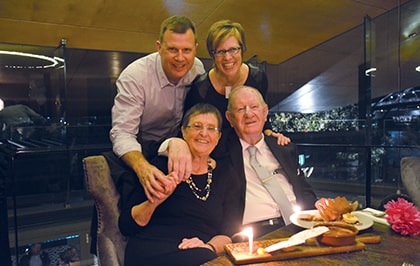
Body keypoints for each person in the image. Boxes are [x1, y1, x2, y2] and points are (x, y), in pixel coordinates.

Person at [117, 103, 242, 266]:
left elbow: (229, 232)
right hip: (151, 249)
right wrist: (154, 201)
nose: (203, 133)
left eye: (211, 129)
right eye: (197, 126)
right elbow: (126, 225)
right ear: (183, 131)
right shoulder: (161, 165)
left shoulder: (227, 174)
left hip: (200, 252)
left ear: (218, 137)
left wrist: (208, 247)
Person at [108, 15, 205, 202]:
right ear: (159, 47)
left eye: (187, 50)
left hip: (181, 145)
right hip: (145, 150)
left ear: (195, 49)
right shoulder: (134, 76)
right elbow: (122, 134)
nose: (180, 58)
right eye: (172, 49)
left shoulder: (197, 68)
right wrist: (143, 169)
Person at [184, 19, 290, 152]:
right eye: (220, 52)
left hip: (249, 148)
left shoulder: (257, 78)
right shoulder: (201, 88)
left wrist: (270, 133)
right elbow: (190, 128)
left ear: (242, 49)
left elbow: (262, 115)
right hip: (216, 153)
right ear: (212, 55)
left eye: (233, 49)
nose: (227, 57)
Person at [225, 86, 317, 238]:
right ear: (230, 118)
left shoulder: (284, 147)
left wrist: (318, 208)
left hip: (300, 224)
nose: (249, 114)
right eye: (241, 109)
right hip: (254, 232)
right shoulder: (221, 152)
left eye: (254, 107)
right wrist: (172, 144)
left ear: (265, 112)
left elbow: (304, 189)